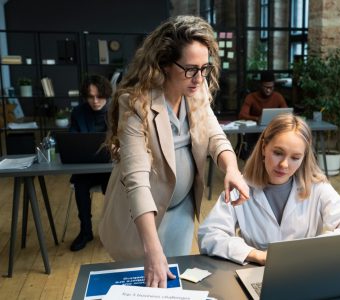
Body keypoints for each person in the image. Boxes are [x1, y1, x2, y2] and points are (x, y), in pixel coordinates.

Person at [99, 15, 249, 288]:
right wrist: (152, 250)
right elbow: (137, 180)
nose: (200, 78)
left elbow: (214, 134)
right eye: (190, 69)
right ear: (165, 64)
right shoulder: (135, 104)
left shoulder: (196, 87)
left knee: (173, 282)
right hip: (141, 216)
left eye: (205, 68)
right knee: (142, 279)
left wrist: (232, 169)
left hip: (180, 209)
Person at [198, 114, 340, 265]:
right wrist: (256, 255)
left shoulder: (318, 188)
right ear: (264, 147)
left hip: (305, 272)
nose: (284, 165)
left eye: (295, 158)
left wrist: (312, 249)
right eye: (278, 153)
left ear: (304, 158)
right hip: (256, 273)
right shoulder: (240, 188)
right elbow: (209, 235)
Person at [68, 74, 112, 251]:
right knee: (80, 185)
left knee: (117, 188)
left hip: (109, 167)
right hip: (86, 167)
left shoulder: (116, 111)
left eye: (99, 96)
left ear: (106, 95)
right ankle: (85, 231)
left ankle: (112, 231)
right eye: (90, 97)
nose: (95, 101)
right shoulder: (78, 112)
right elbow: (71, 140)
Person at [238, 71, 287, 159]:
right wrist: (257, 118)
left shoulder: (278, 97)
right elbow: (242, 115)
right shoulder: (251, 97)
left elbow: (286, 114)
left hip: (273, 131)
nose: (268, 90)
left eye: (271, 87)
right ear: (260, 85)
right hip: (255, 134)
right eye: (266, 87)